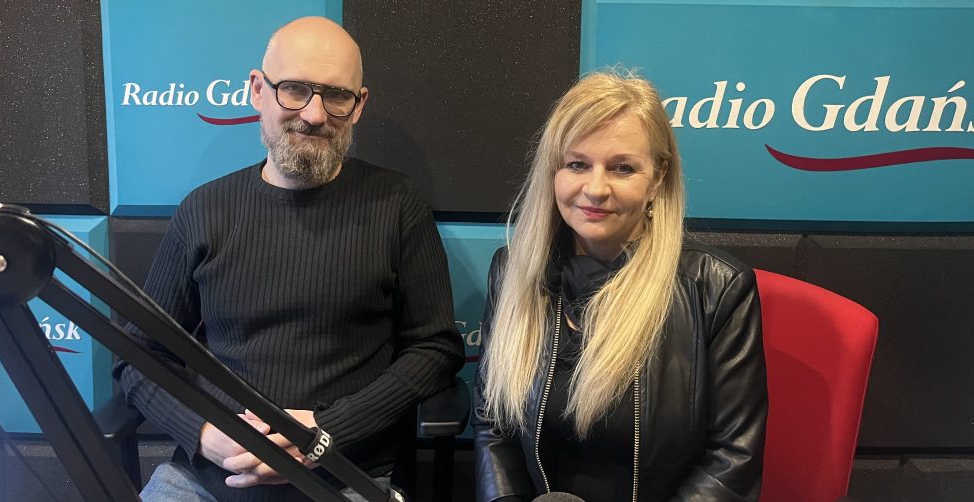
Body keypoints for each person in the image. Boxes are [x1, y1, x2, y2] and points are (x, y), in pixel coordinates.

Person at [114, 16, 464, 502]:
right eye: (295, 90)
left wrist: (327, 432)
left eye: (336, 95)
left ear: (359, 105)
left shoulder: (396, 205)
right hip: (206, 480)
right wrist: (203, 433)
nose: (315, 115)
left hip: (347, 476)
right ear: (258, 90)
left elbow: (436, 349)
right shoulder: (204, 209)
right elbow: (138, 356)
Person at [473, 70, 767, 502]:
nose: (595, 189)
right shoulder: (512, 271)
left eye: (622, 168)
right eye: (577, 164)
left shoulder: (718, 289)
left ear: (658, 178)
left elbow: (733, 459)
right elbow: (493, 424)